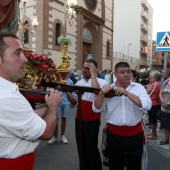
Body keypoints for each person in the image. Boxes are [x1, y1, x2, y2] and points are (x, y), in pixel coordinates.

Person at [0, 32, 62, 169]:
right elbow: (46, 133)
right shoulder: (6, 97)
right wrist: (52, 108)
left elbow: (27, 116)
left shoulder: (6, 91)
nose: (25, 59)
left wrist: (49, 103)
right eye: (17, 53)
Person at [92, 62, 151, 170]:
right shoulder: (109, 89)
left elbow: (147, 105)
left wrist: (127, 93)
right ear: (115, 74)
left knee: (134, 166)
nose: (126, 74)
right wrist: (101, 92)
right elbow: (96, 109)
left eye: (128, 72)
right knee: (115, 166)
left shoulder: (138, 88)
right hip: (114, 136)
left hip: (134, 135)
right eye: (122, 72)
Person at [66, 58, 107, 170]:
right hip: (79, 119)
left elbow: (97, 91)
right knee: (81, 146)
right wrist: (67, 91)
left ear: (94, 69)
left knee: (91, 147)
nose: (84, 70)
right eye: (83, 67)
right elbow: (74, 102)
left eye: (88, 68)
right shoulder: (79, 82)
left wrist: (93, 75)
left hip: (92, 120)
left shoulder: (101, 82)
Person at [48, 78, 73, 144]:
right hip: (57, 101)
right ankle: (55, 137)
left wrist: (65, 89)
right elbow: (53, 88)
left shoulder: (70, 81)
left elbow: (71, 92)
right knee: (56, 119)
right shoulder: (56, 79)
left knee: (64, 119)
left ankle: (63, 136)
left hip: (66, 102)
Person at [146, 71, 161, 140]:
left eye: (151, 77)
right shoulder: (159, 84)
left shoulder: (153, 84)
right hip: (156, 103)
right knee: (153, 120)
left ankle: (153, 134)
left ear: (154, 78)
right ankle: (153, 133)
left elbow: (146, 92)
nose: (150, 78)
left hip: (152, 104)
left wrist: (148, 86)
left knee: (152, 120)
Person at [159, 78, 170, 145]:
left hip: (167, 106)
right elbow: (160, 93)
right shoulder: (166, 81)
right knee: (165, 125)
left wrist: (168, 104)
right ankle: (166, 139)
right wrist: (163, 102)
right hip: (164, 108)